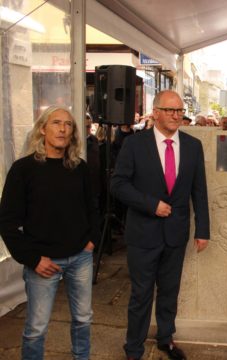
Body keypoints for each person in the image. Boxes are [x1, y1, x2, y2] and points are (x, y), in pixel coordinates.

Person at [111, 90, 210, 360]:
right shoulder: (135, 144)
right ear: (155, 112)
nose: (177, 115)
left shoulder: (192, 146)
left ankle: (166, 338)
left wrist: (203, 230)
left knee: (169, 291)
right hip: (143, 234)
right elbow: (118, 184)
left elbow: (199, 191)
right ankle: (134, 348)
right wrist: (150, 204)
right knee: (141, 295)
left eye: (180, 111)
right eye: (170, 110)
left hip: (175, 234)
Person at [0, 106, 99, 360]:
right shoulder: (23, 170)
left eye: (68, 124)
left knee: (83, 319)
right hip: (43, 261)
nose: (63, 129)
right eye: (56, 123)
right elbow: (7, 222)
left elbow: (93, 207)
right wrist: (32, 259)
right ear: (43, 129)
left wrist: (90, 242)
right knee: (36, 328)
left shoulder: (80, 168)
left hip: (80, 257)